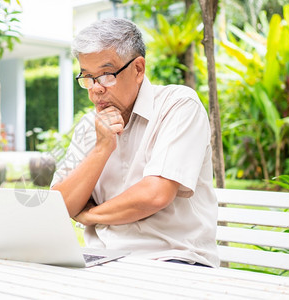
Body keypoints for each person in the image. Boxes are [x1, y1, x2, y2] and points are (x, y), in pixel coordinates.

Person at [50, 18, 219, 268]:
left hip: (175, 260)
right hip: (102, 261)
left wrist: (89, 215)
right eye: (87, 77)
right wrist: (101, 148)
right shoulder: (89, 126)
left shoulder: (179, 105)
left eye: (106, 75)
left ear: (138, 69)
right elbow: (58, 206)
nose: (95, 89)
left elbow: (154, 194)